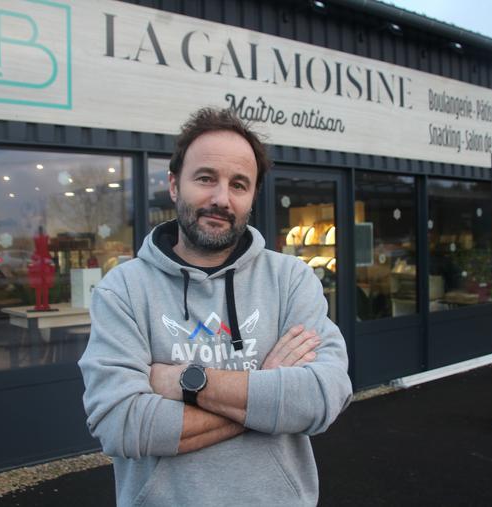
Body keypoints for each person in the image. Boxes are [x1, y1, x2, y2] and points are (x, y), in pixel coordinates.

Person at [79, 107, 352, 506]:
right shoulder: (124, 289)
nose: (221, 198)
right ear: (174, 185)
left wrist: (188, 382)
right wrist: (267, 390)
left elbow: (323, 397)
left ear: (252, 196)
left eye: (239, 184)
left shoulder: (291, 279)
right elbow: (121, 425)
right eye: (206, 178)